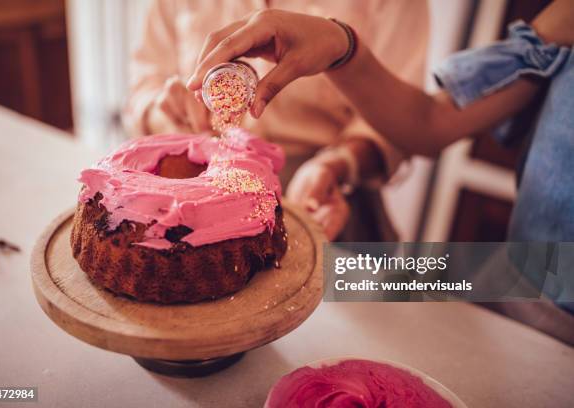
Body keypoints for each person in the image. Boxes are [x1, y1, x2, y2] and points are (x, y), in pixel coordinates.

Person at [186, 0, 574, 343]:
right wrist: (341, 46)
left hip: (549, 304)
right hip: (521, 273)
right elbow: (431, 121)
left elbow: (405, 131)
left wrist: (339, 161)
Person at [123, 0, 430, 241]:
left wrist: (337, 165)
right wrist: (164, 113)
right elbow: (143, 87)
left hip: (320, 191)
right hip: (199, 185)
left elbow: (403, 122)